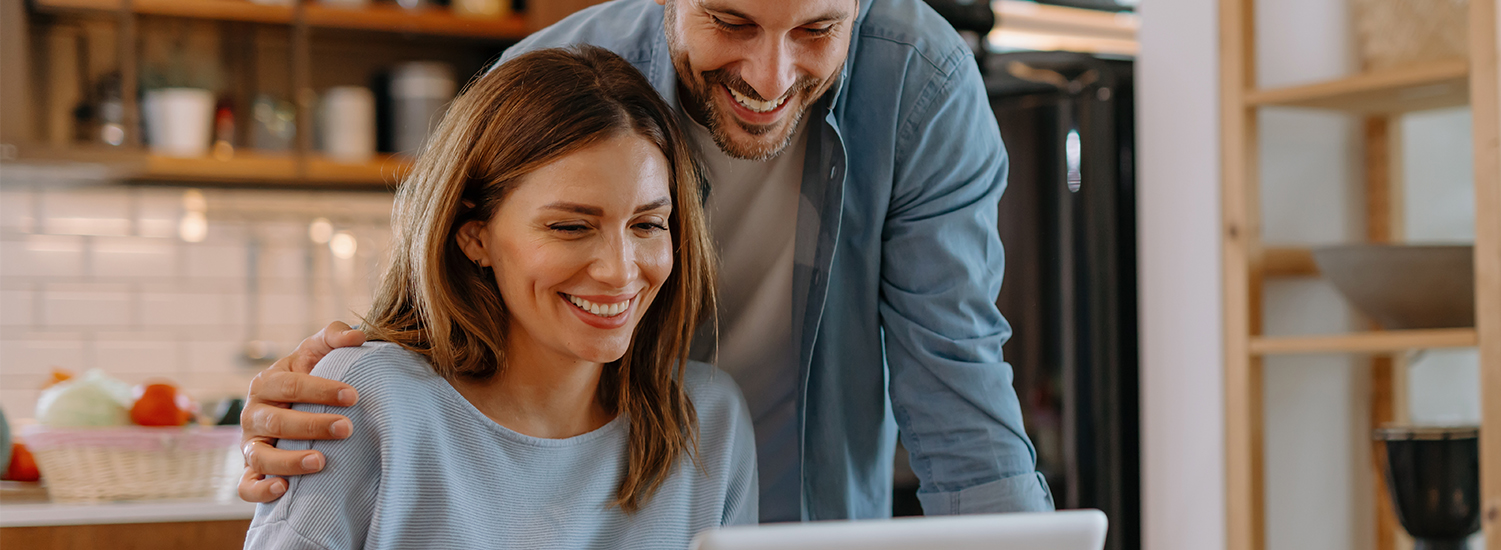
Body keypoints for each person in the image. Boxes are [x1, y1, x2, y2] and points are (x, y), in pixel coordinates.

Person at [237, 0, 1051, 521]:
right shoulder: (546, 84)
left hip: (753, 498)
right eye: (731, 20)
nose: (770, 78)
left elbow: (957, 386)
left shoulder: (921, 83)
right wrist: (335, 398)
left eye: (817, 29)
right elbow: (434, 299)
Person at [243, 45, 756, 549]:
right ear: (475, 235)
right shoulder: (365, 399)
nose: (620, 270)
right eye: (571, 226)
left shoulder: (710, 420)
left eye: (647, 224)